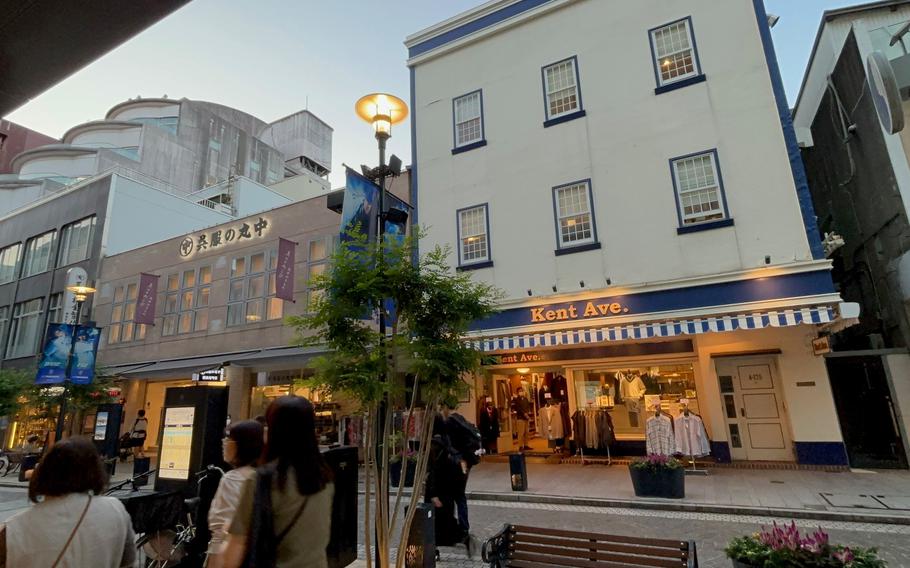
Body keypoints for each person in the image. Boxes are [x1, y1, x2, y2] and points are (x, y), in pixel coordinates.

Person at [224, 397, 334, 568]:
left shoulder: (263, 479)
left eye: (268, 425)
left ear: (277, 430)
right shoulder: (325, 477)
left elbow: (237, 543)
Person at [0, 437, 137, 567]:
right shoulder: (115, 510)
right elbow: (127, 562)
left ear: (43, 472)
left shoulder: (13, 530)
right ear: (96, 473)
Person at [206, 420, 264, 568]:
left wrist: (213, 561)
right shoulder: (263, 476)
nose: (224, 442)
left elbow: (222, 528)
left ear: (243, 445)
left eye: (229, 438)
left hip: (230, 554)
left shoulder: (233, 478)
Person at [425, 416, 469, 557]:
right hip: (448, 490)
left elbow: (431, 471)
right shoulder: (447, 442)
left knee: (434, 523)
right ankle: (459, 536)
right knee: (443, 521)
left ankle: (434, 550)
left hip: (438, 491)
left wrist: (432, 494)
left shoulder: (433, 446)